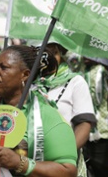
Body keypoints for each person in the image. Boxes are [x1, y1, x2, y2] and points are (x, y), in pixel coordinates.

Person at [0, 45, 77, 176]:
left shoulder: (48, 116)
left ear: (25, 75)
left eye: (4, 67)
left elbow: (68, 171)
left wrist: (19, 163)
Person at [37, 42, 97, 176]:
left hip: (63, 164)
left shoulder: (75, 82)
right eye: (43, 52)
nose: (48, 57)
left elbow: (84, 124)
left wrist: (64, 154)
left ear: (61, 54)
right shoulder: (30, 83)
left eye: (53, 52)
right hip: (33, 163)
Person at [82, 58, 108, 177]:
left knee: (104, 172)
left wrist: (101, 57)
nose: (85, 55)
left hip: (105, 133)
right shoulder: (80, 68)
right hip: (84, 133)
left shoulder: (105, 69)